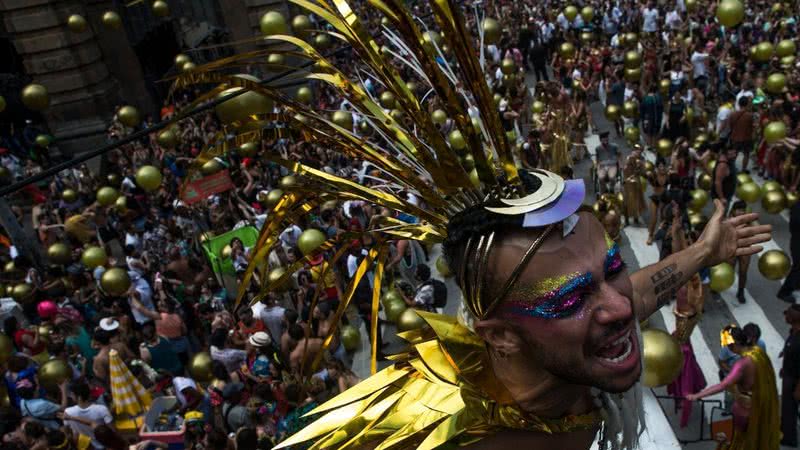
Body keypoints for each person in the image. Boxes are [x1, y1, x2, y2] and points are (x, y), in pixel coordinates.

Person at [687, 327, 780, 449]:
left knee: (736, 440)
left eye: (729, 346)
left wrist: (697, 395)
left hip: (744, 410)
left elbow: (722, 385)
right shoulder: (759, 352)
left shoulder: (741, 365)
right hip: (760, 406)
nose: (728, 348)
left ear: (734, 344)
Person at [63, 380, 114, 449]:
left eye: (72, 394)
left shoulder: (68, 412)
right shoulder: (101, 409)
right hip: (105, 445)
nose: (71, 396)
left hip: (85, 447)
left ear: (79, 397)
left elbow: (68, 432)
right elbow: (112, 430)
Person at [781, 304, 800, 447]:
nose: (785, 315)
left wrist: (798, 389)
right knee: (787, 408)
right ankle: (785, 429)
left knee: (790, 409)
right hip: (788, 374)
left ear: (794, 319)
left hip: (795, 380)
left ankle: (790, 438)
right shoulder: (793, 331)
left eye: (787, 314)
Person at [778, 196, 800, 302]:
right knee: (798, 266)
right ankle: (784, 292)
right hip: (798, 241)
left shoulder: (796, 206)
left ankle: (796, 285)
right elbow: (795, 224)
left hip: (796, 239)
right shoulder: (797, 207)